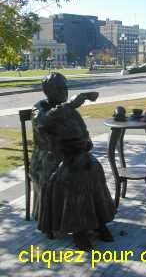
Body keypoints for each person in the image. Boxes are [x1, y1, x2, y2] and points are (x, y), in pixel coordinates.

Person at [30, 72, 116, 250]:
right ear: (48, 91)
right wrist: (69, 105)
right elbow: (43, 122)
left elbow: (84, 133)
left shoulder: (69, 111)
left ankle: (98, 221)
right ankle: (78, 229)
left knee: (94, 170)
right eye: (60, 88)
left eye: (66, 87)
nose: (65, 91)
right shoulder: (40, 108)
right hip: (51, 157)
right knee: (73, 178)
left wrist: (86, 145)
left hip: (75, 154)